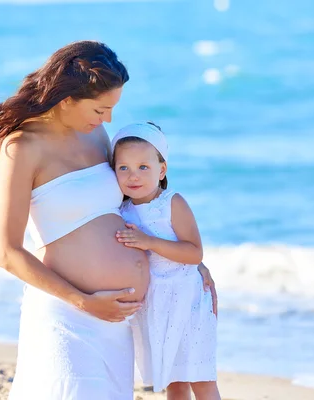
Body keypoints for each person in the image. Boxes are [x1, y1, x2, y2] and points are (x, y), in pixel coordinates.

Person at [0, 41, 218, 400]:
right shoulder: (22, 147)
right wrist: (81, 301)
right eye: (101, 108)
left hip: (116, 322)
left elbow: (137, 205)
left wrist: (188, 260)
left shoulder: (96, 134)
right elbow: (7, 253)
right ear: (68, 97)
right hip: (67, 314)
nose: (107, 120)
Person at [111, 122, 221, 400]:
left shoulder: (171, 203)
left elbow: (194, 253)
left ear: (162, 170)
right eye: (123, 167)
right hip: (155, 303)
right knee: (172, 380)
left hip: (187, 299)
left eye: (143, 167)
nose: (133, 176)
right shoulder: (121, 209)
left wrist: (150, 242)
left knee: (199, 376)